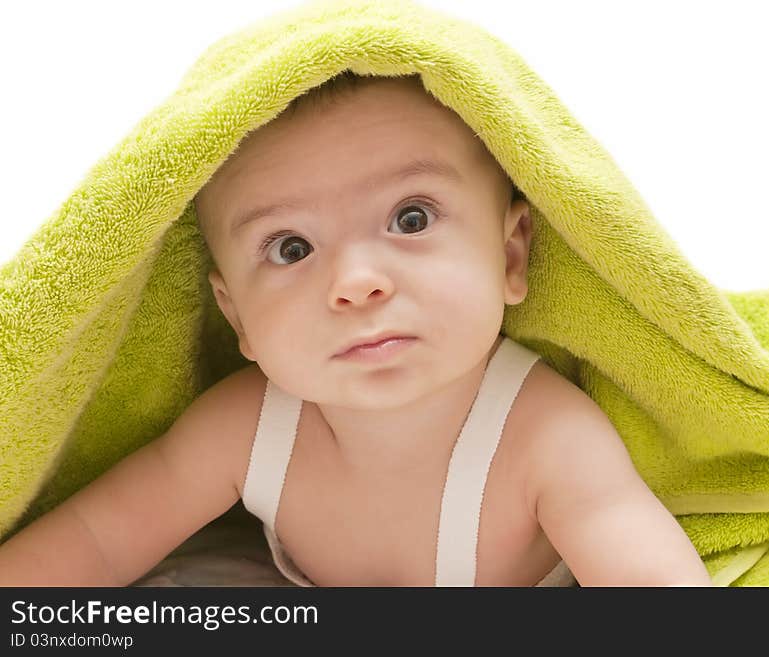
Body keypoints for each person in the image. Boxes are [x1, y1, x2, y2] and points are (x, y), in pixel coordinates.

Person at [0, 71, 712, 587]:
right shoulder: (247, 428)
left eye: (411, 218)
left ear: (511, 254)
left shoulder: (545, 438)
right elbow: (93, 542)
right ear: (236, 316)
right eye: (291, 248)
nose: (355, 281)